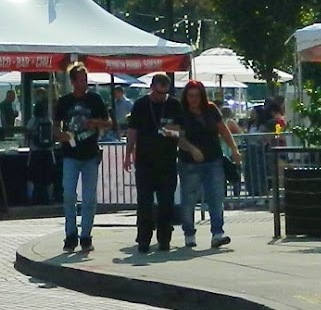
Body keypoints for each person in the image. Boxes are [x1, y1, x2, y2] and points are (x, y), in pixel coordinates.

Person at [175, 79, 240, 250]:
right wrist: (192, 149)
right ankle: (189, 234)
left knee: (216, 197)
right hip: (189, 162)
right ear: (186, 96)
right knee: (189, 199)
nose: (193, 99)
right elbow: (177, 138)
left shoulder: (211, 109)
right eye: (190, 96)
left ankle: (217, 233)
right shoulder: (181, 112)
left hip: (213, 159)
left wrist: (234, 149)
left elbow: (223, 130)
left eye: (197, 96)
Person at [53, 62, 110, 253]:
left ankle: (86, 235)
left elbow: (108, 122)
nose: (83, 84)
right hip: (70, 152)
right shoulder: (64, 101)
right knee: (69, 193)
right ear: (72, 82)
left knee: (89, 197)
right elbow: (56, 125)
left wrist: (95, 122)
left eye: (85, 80)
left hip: (90, 153)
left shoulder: (95, 99)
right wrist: (60, 135)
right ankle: (70, 234)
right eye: (79, 80)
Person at [123, 72, 182, 253]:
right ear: (151, 88)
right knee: (145, 202)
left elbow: (181, 129)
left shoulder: (173, 105)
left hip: (168, 160)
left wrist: (171, 132)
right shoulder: (141, 105)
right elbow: (133, 130)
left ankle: (164, 238)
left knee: (166, 202)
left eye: (164, 93)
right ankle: (144, 238)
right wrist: (127, 154)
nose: (160, 97)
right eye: (157, 93)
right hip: (145, 161)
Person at [25, 98, 57, 204]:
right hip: (48, 152)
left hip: (35, 152)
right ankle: (50, 197)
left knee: (32, 176)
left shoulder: (33, 121)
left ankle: (30, 197)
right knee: (49, 177)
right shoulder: (49, 121)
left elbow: (27, 134)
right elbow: (54, 135)